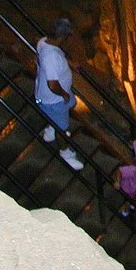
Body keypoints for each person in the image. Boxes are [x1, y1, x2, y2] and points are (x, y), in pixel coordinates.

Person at [36, 18, 84, 171]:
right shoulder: (50, 58)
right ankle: (65, 152)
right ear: (62, 37)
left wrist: (70, 63)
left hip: (55, 96)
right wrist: (63, 94)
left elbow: (58, 54)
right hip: (53, 99)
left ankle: (51, 128)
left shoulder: (44, 42)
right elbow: (52, 84)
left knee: (72, 104)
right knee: (62, 129)